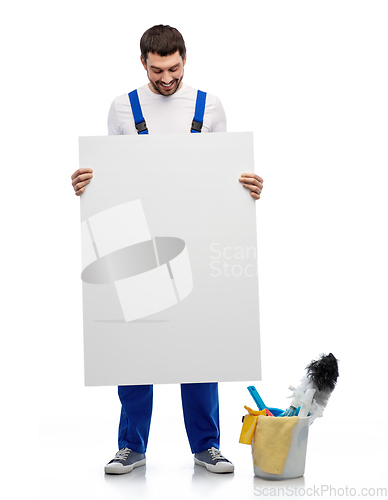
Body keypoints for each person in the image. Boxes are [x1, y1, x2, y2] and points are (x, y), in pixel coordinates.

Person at [71, 25, 263, 475]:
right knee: (135, 338)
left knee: (200, 342)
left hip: (196, 234)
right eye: (157, 70)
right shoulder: (123, 108)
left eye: (174, 68)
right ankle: (130, 447)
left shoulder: (209, 107)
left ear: (184, 60)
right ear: (143, 63)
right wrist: (87, 183)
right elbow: (115, 177)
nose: (166, 78)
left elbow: (221, 175)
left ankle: (207, 446)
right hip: (141, 238)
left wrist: (247, 186)